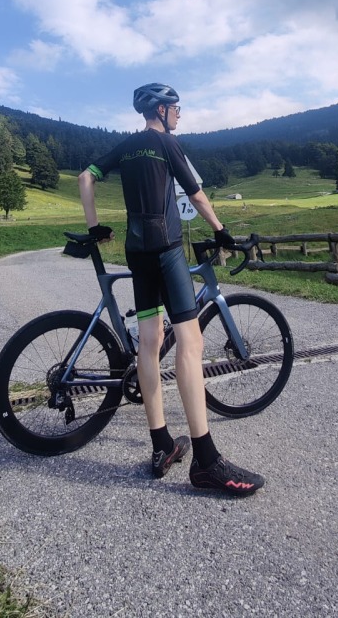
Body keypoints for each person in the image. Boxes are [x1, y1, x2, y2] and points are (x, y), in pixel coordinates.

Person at [78, 83, 265, 496]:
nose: (180, 114)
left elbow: (84, 178)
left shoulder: (126, 146)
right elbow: (196, 194)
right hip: (166, 251)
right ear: (160, 111)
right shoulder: (167, 143)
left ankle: (161, 446)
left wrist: (95, 229)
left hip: (136, 253)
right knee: (190, 342)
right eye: (176, 108)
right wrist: (222, 232)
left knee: (149, 342)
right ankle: (207, 461)